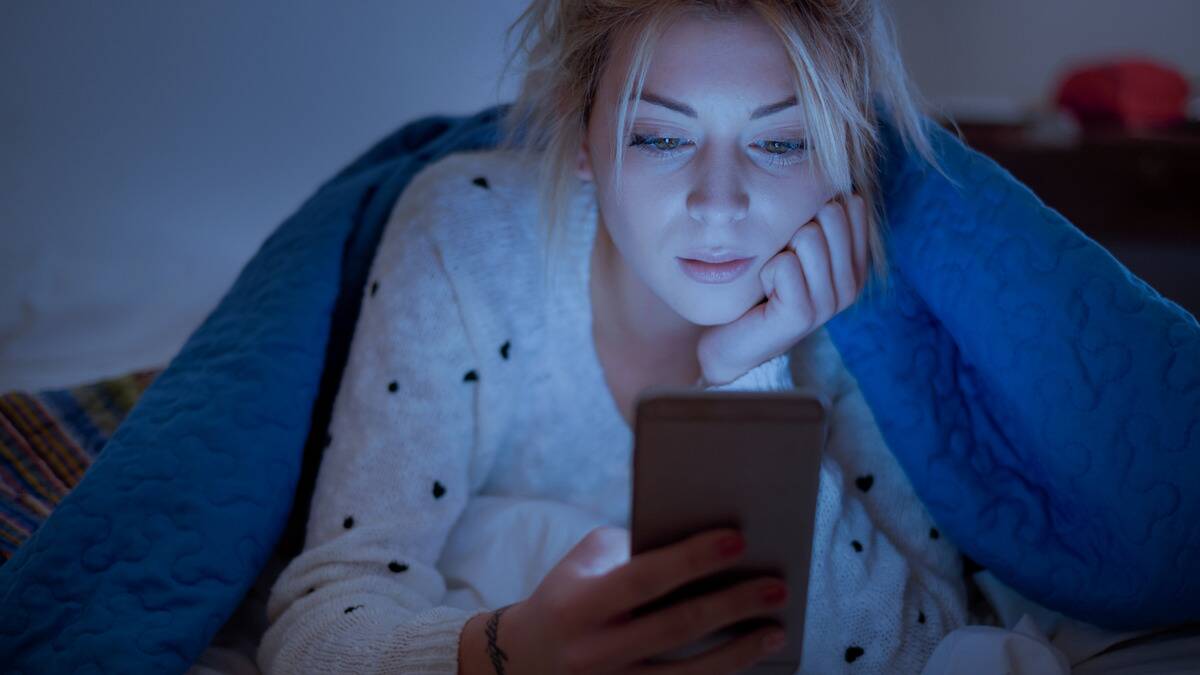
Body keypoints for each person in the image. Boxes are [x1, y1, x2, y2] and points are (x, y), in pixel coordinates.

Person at [257, 1, 970, 673]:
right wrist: (508, 650)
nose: (717, 203)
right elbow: (315, 625)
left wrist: (745, 374)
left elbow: (927, 644)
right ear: (581, 139)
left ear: (844, 153)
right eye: (660, 136)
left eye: (783, 142)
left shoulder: (861, 305)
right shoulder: (469, 241)